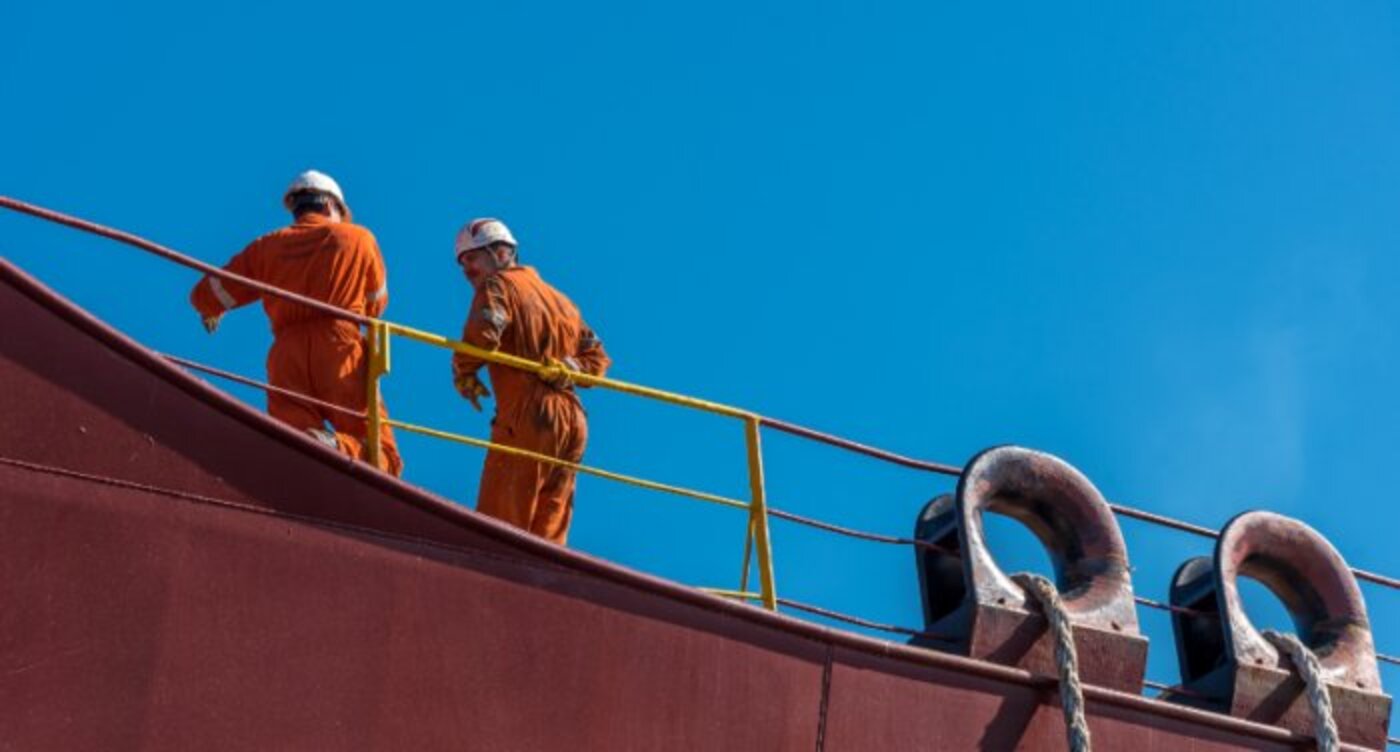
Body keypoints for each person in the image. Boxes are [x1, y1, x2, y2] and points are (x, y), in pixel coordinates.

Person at [189, 169, 403, 475]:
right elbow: (376, 304)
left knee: (295, 447)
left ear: (296, 208)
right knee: (379, 453)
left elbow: (207, 293)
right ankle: (336, 447)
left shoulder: (268, 246)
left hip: (286, 356)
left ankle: (314, 451)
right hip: (339, 348)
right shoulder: (358, 238)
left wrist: (212, 309)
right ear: (331, 206)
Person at [451, 218, 610, 544]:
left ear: (501, 252)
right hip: (573, 422)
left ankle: (497, 585)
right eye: (462, 263)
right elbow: (597, 359)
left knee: (501, 527)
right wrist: (571, 365)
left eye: (472, 258)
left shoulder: (498, 286)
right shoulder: (563, 303)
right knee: (549, 531)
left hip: (528, 415)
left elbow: (483, 334)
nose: (466, 270)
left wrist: (463, 371)